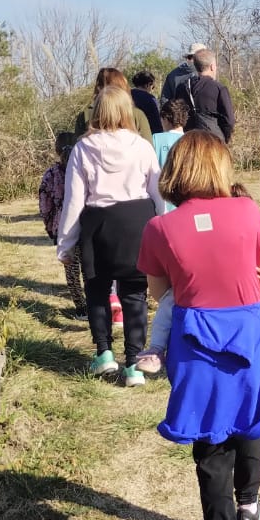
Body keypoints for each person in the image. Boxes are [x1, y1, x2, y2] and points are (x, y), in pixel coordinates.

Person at [136, 132, 260, 520]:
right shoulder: (248, 211)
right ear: (221, 167)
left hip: (196, 340)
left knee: (211, 450)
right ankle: (249, 508)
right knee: (251, 421)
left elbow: (161, 295)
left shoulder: (160, 228)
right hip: (249, 333)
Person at [136, 182, 260, 431]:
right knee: (170, 300)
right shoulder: (189, 230)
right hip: (207, 301)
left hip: (252, 305)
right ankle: (156, 348)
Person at [56, 87, 165, 388]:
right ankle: (134, 365)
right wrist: (166, 230)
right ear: (127, 111)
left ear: (98, 111)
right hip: (137, 222)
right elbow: (157, 192)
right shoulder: (142, 146)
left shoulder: (83, 147)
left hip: (98, 224)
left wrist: (65, 243)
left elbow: (73, 201)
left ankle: (104, 353)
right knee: (134, 295)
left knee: (97, 290)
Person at [38, 131, 86, 319]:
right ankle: (96, 305)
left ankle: (81, 309)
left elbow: (44, 203)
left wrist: (50, 227)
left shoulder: (50, 174)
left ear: (56, 150)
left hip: (62, 225)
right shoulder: (83, 168)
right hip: (86, 223)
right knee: (89, 268)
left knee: (71, 269)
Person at [74, 67, 153, 143]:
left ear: (99, 89)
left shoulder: (86, 115)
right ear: (124, 89)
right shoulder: (136, 114)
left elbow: (76, 149)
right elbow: (149, 150)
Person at [180, 49, 235, 142]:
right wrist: (225, 138)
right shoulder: (218, 89)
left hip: (189, 140)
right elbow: (229, 121)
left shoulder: (182, 87)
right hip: (213, 140)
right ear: (212, 67)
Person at [130, 70, 164, 134]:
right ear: (148, 85)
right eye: (153, 87)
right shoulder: (150, 99)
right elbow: (157, 125)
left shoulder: (124, 96)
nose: (152, 90)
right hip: (145, 136)